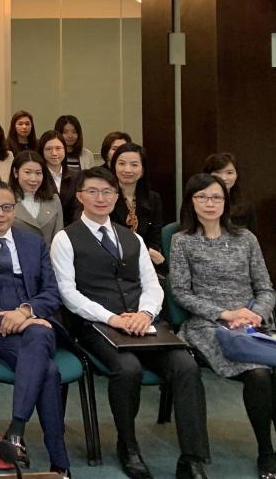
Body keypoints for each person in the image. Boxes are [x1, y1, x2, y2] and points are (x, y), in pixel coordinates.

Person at [51, 167, 210, 479]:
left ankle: (192, 457)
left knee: (186, 366)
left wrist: (145, 314)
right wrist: (111, 318)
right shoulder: (65, 238)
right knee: (128, 369)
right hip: (95, 325)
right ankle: (128, 446)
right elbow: (68, 293)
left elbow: (152, 285)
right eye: (93, 192)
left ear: (116, 197)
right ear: (80, 196)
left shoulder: (133, 237)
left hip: (141, 322)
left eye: (107, 192)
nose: (101, 198)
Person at [0, 182, 71, 478]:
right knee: (49, 372)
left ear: (14, 209)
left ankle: (17, 430)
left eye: (6, 207)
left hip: (32, 323)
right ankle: (58, 461)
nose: (0, 213)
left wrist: (25, 313)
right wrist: (7, 319)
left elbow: (51, 292)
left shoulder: (33, 242)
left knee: (40, 334)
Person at [171, 173, 275, 479]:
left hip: (252, 322)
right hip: (208, 324)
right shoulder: (182, 240)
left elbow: (265, 288)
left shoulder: (246, 238)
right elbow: (181, 292)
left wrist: (255, 314)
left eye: (216, 197)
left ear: (225, 201)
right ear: (191, 202)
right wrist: (225, 313)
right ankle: (266, 451)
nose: (210, 203)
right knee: (258, 374)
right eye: (202, 197)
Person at [109, 143, 165, 269]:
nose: (127, 170)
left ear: (142, 170)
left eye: (134, 165)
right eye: (122, 164)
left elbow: (155, 239)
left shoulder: (153, 199)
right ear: (114, 167)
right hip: (113, 262)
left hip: (145, 264)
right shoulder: (105, 197)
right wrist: (147, 251)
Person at [8, 150, 63, 245]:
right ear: (15, 172)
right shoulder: (5, 200)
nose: (33, 179)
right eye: (27, 172)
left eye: (38, 173)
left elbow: (58, 236)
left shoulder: (53, 200)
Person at [203, 151, 258, 233]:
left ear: (237, 175)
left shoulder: (246, 207)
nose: (223, 178)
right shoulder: (196, 202)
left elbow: (252, 237)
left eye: (229, 173)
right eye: (217, 172)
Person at [38, 130, 76, 225]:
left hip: (72, 227)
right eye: (48, 149)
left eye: (58, 148)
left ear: (65, 149)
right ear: (42, 151)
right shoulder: (38, 177)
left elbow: (78, 208)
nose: (54, 153)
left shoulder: (76, 176)